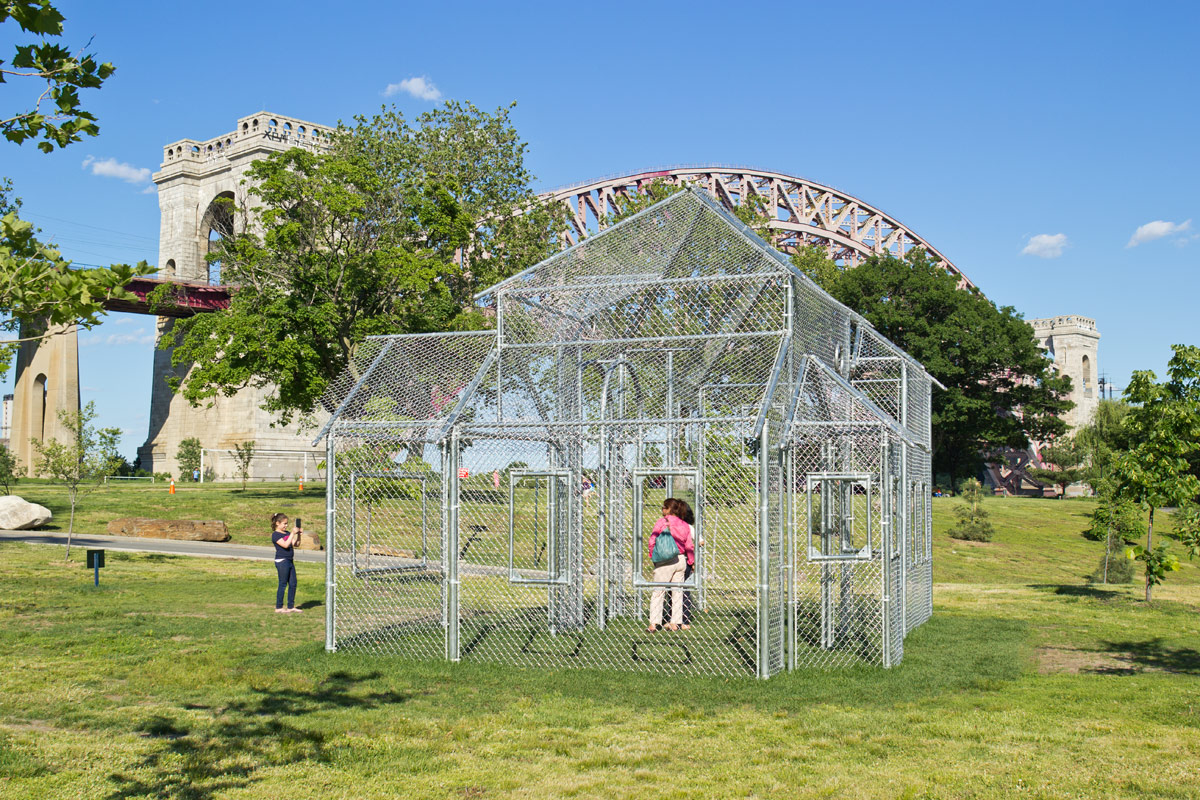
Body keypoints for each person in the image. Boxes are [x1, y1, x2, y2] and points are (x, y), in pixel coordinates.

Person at [646, 498, 694, 632]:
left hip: (664, 561)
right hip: (680, 560)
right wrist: (691, 561)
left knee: (658, 591)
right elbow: (689, 545)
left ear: (669, 509)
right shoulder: (684, 524)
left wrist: (653, 555)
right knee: (677, 591)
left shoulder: (662, 522)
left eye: (664, 507)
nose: (662, 510)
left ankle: (654, 623)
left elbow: (652, 539)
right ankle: (675, 623)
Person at [670, 499, 704, 630]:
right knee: (681, 590)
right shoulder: (687, 527)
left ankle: (677, 619)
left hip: (674, 560)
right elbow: (701, 541)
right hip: (683, 560)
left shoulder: (675, 526)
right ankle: (679, 620)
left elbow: (700, 541)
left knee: (674, 589)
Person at [271, 512, 303, 613]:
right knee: (283, 584)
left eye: (287, 523)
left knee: (293, 583)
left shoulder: (288, 533)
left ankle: (291, 606)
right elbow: (285, 545)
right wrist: (293, 533)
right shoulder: (275, 535)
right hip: (282, 561)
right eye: (284, 523)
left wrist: (298, 535)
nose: (286, 525)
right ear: (277, 523)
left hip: (290, 561)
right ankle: (279, 607)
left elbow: (296, 544)